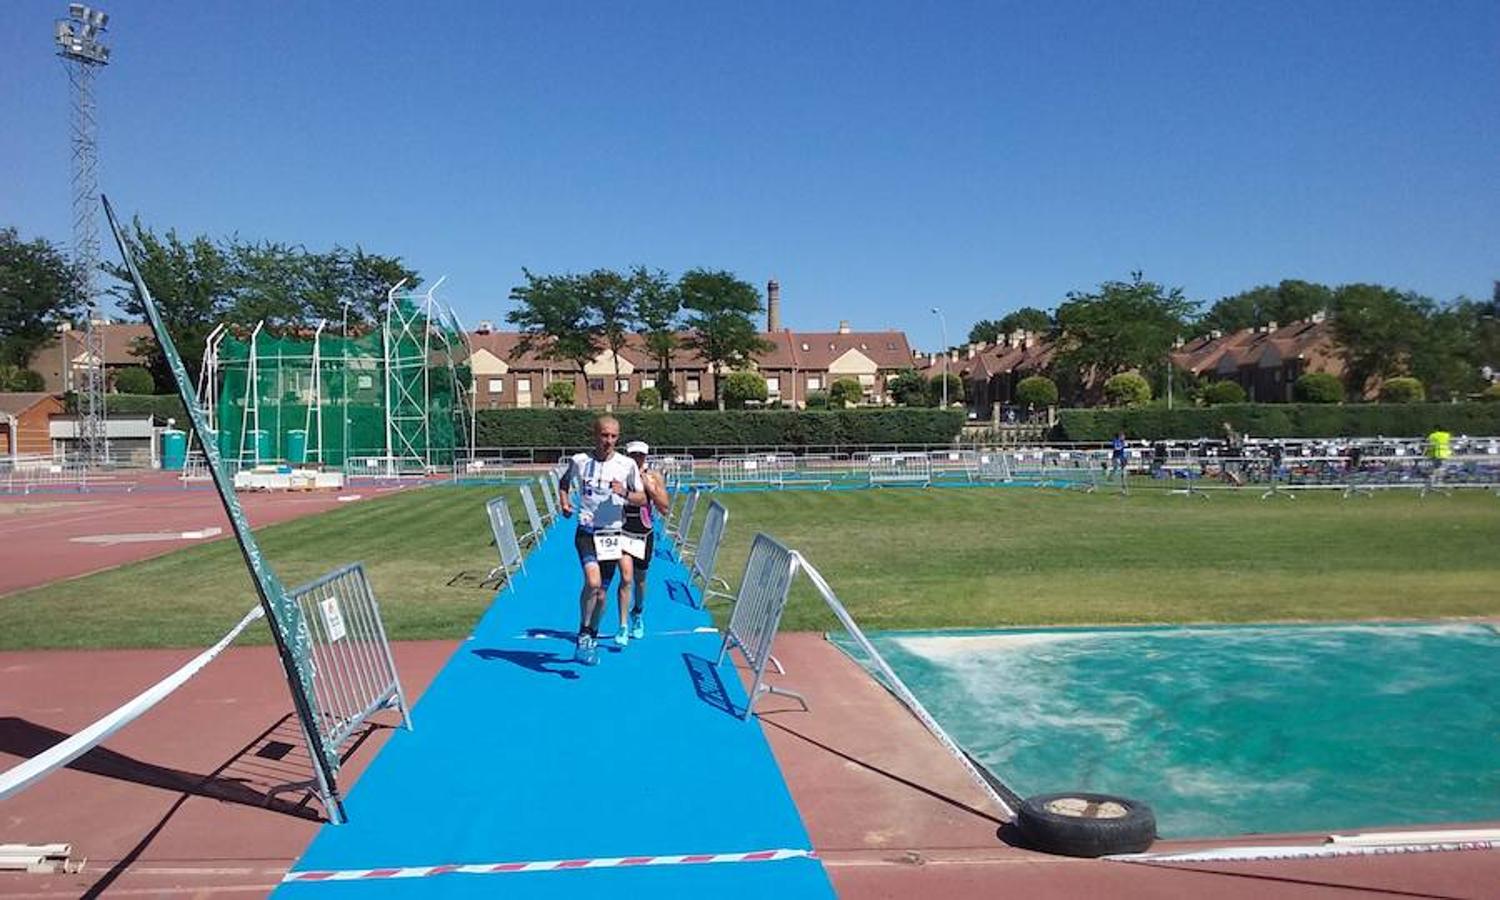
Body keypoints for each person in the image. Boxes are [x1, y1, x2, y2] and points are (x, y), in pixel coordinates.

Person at [558, 415, 646, 665]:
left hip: (612, 535)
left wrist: (625, 493)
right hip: (587, 531)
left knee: (602, 595)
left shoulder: (627, 465)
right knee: (593, 582)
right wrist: (564, 503)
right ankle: (583, 631)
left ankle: (590, 636)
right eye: (604, 435)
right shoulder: (580, 462)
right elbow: (563, 483)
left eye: (613, 436)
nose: (608, 441)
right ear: (595, 435)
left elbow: (641, 499)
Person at [620, 441, 671, 644]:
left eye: (640, 455)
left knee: (640, 580)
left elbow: (665, 507)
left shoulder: (653, 476)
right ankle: (622, 626)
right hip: (622, 531)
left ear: (646, 456)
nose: (636, 459)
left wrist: (649, 486)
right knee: (625, 578)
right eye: (633, 455)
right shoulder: (619, 473)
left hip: (643, 533)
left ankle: (638, 613)